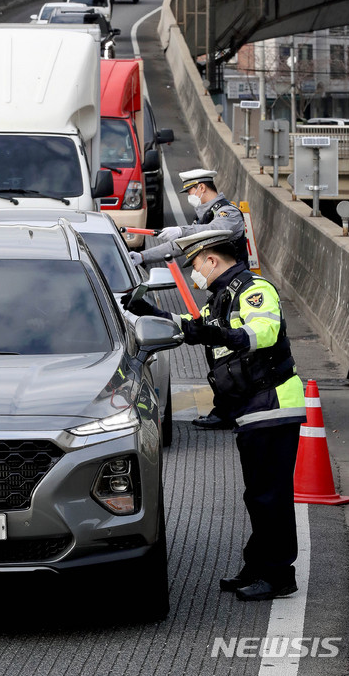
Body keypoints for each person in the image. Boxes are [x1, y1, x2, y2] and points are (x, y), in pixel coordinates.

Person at [123, 229, 306, 601]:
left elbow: (263, 331)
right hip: (251, 407)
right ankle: (257, 566)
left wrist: (223, 334)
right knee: (258, 495)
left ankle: (278, 575)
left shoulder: (253, 289)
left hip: (272, 403)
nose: (194, 272)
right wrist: (150, 313)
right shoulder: (222, 297)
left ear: (211, 259)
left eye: (194, 264)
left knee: (270, 495)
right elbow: (194, 328)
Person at [130, 167, 248, 430]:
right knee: (216, 348)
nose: (190, 196)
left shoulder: (227, 213)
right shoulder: (202, 219)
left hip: (235, 292)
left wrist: (182, 230)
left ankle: (230, 409)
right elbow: (177, 245)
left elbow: (217, 229)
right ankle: (227, 407)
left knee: (228, 350)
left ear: (202, 188)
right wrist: (143, 257)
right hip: (220, 293)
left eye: (191, 191)